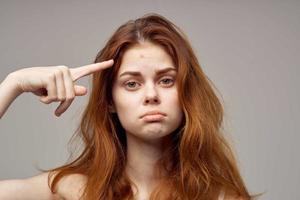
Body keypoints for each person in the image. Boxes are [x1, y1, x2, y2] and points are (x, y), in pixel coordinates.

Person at [0, 13, 260, 200]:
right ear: (110, 101)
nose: (151, 95)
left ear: (186, 94)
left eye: (166, 80)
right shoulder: (71, 190)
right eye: (132, 84)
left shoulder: (222, 197)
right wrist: (14, 83)